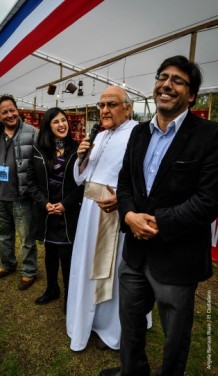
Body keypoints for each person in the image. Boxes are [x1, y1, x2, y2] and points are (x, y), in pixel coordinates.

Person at [100, 55, 218, 376]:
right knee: (132, 325)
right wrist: (128, 216)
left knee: (174, 339)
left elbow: (208, 200)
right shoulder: (138, 133)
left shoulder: (210, 135)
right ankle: (131, 371)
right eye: (162, 76)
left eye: (177, 80)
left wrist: (155, 222)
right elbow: (125, 183)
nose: (166, 84)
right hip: (135, 254)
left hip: (177, 259)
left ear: (191, 95)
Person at [66, 86, 152, 352]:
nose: (104, 110)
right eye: (101, 105)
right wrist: (82, 158)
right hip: (89, 214)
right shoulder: (99, 136)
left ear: (127, 107)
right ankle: (87, 321)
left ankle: (110, 327)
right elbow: (81, 178)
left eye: (111, 104)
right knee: (86, 264)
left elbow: (147, 178)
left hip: (115, 214)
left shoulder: (139, 135)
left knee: (112, 273)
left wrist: (123, 201)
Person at [26, 107, 84, 312]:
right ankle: (52, 289)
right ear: (48, 127)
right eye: (56, 122)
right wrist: (44, 203)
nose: (62, 125)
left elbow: (83, 184)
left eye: (64, 120)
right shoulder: (38, 150)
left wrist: (65, 204)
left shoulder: (78, 149)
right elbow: (31, 181)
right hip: (47, 213)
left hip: (68, 213)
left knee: (67, 258)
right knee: (50, 254)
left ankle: (70, 297)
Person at [0, 94, 38, 290]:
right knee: (1, 234)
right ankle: (7, 264)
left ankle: (29, 271)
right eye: (4, 112)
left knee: (26, 238)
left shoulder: (32, 133)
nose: (10, 114)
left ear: (18, 109)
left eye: (12, 110)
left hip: (22, 196)